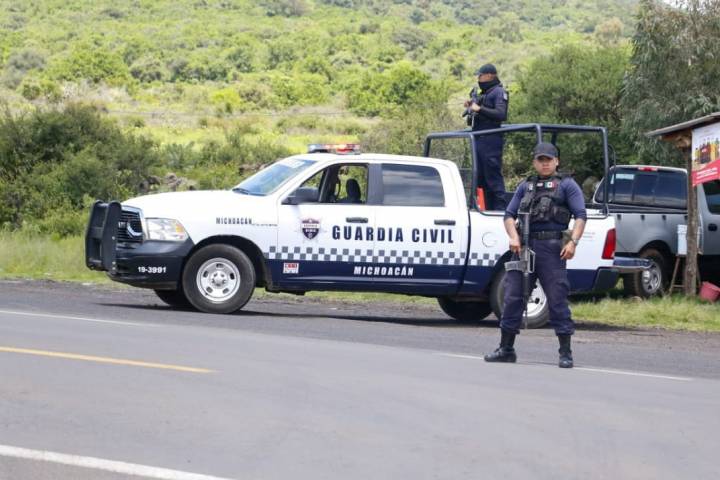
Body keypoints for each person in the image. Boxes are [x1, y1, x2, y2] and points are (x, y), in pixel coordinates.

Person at [484, 142, 586, 368]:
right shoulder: (526, 186)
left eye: (549, 159)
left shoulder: (567, 185)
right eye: (541, 160)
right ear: (535, 162)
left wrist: (573, 242)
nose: (545, 163)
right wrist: (513, 237)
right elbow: (509, 215)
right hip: (524, 248)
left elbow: (580, 215)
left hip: (552, 249)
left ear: (556, 161)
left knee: (557, 299)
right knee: (512, 297)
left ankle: (565, 353)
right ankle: (506, 349)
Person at [463, 63, 509, 211]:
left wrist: (479, 109)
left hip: (490, 141)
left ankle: (500, 212)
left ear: (489, 75)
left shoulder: (499, 92)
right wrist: (471, 106)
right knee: (480, 179)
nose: (479, 79)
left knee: (493, 178)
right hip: (479, 140)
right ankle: (485, 210)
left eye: (480, 76)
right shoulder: (485, 93)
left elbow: (501, 114)